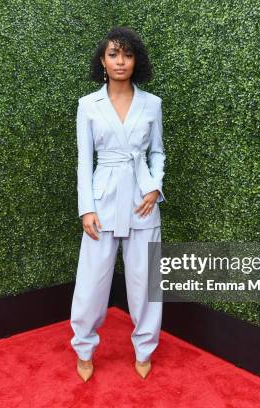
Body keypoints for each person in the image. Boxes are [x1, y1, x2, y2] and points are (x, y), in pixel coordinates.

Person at [69, 26, 167, 382]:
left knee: (145, 283)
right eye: (113, 54)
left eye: (126, 54)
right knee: (92, 283)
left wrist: (155, 188)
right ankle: (84, 347)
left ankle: (145, 348)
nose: (120, 61)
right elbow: (84, 161)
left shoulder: (152, 103)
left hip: (142, 201)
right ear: (103, 61)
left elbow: (157, 152)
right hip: (103, 199)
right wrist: (86, 208)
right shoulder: (87, 106)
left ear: (135, 60)